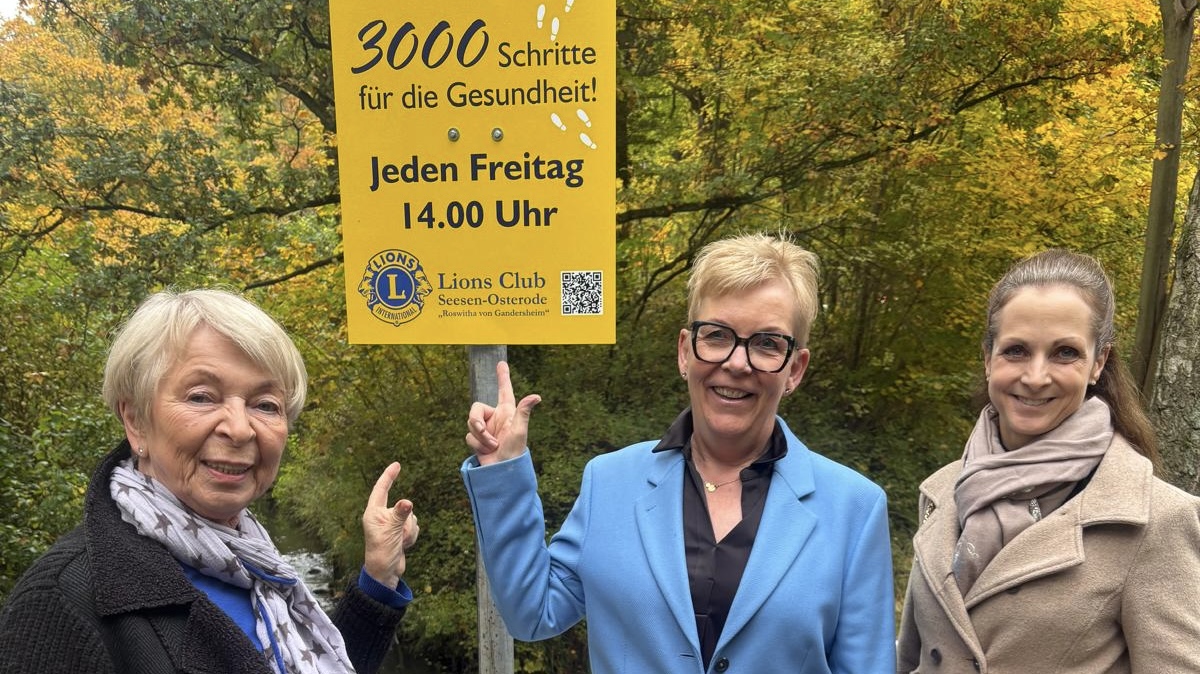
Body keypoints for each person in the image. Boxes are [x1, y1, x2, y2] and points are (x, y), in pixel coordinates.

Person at [462, 232, 896, 673]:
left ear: (795, 369)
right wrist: (503, 473)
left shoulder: (854, 510)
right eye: (717, 335)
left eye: (767, 343)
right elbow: (531, 613)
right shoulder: (609, 482)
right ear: (685, 351)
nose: (738, 363)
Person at [0, 288, 420, 674]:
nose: (239, 429)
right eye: (201, 397)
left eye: (265, 404)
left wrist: (378, 580)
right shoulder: (60, 601)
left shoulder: (255, 563)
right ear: (136, 420)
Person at [897, 249, 1200, 673]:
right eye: (1016, 350)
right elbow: (910, 657)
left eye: (1064, 353)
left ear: (1098, 363)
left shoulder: (1158, 519)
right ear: (988, 359)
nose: (1036, 376)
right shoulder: (945, 491)